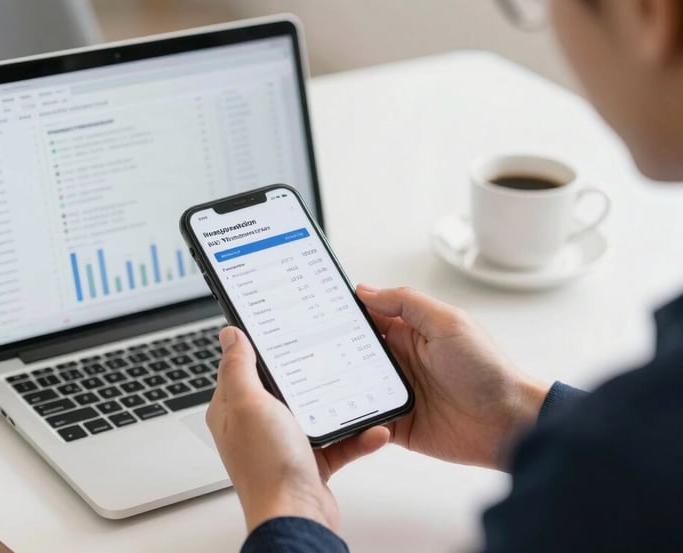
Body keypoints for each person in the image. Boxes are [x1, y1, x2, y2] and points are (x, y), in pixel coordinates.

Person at [206, 1, 683, 551]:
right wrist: (510, 411)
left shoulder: (612, 473)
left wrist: (290, 504)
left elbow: (642, 463)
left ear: (650, 15)